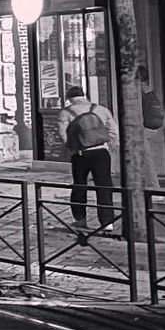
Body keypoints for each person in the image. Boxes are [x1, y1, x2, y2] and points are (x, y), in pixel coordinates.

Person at [62, 85, 117, 233]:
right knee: (104, 186)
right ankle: (107, 222)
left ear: (69, 98)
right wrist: (107, 146)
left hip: (81, 154)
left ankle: (80, 220)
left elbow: (63, 136)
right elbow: (113, 131)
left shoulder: (66, 113)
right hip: (101, 153)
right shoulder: (101, 109)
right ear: (84, 95)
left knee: (79, 185)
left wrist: (72, 150)